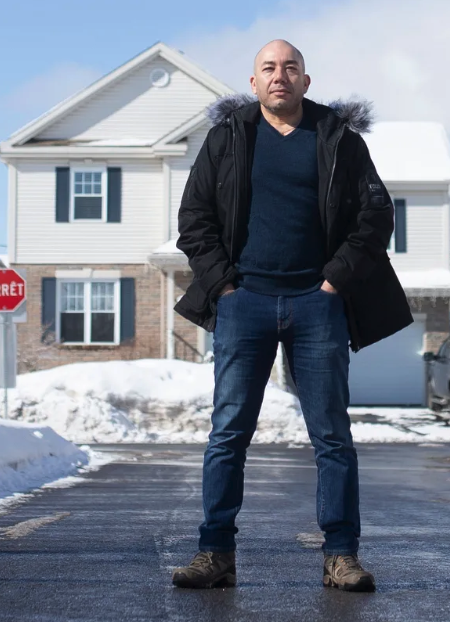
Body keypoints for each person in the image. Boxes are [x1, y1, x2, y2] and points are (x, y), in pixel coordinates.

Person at [171, 39, 413, 592]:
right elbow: (195, 219)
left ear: (306, 80)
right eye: (269, 68)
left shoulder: (338, 140)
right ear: (253, 82)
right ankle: (215, 554)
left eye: (290, 68)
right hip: (244, 304)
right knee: (228, 432)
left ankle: (341, 555)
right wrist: (225, 287)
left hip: (316, 305)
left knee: (331, 435)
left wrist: (333, 282)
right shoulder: (228, 139)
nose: (280, 76)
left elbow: (374, 217)